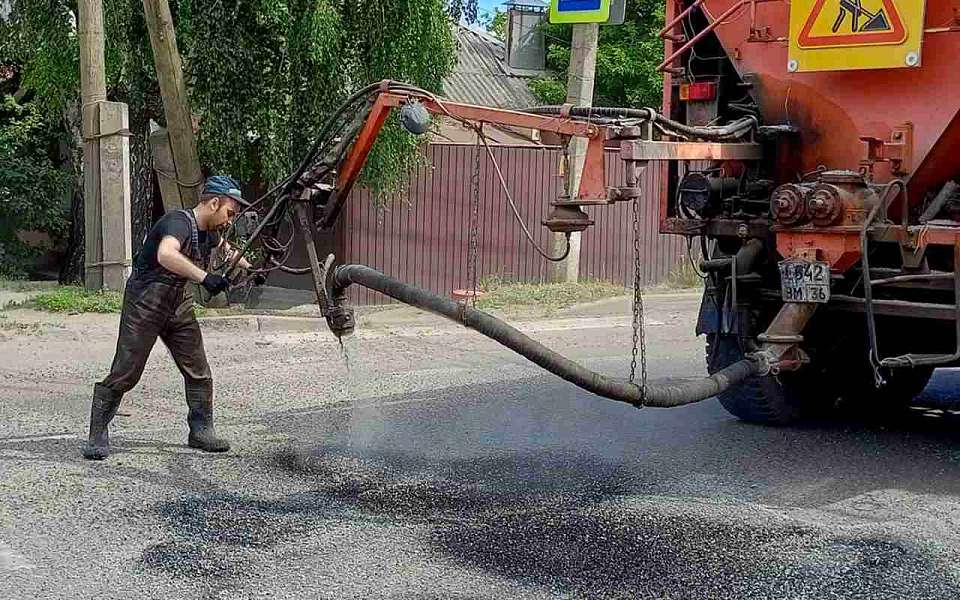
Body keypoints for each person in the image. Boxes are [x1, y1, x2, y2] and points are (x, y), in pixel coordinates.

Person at [83, 176, 253, 460]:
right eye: (229, 212)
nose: (229, 219)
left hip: (178, 301)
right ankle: (97, 434)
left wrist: (251, 268)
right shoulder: (178, 222)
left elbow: (226, 249)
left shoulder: (209, 231)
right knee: (127, 371)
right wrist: (205, 277)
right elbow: (166, 254)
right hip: (146, 301)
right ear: (214, 202)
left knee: (198, 369)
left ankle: (201, 431)